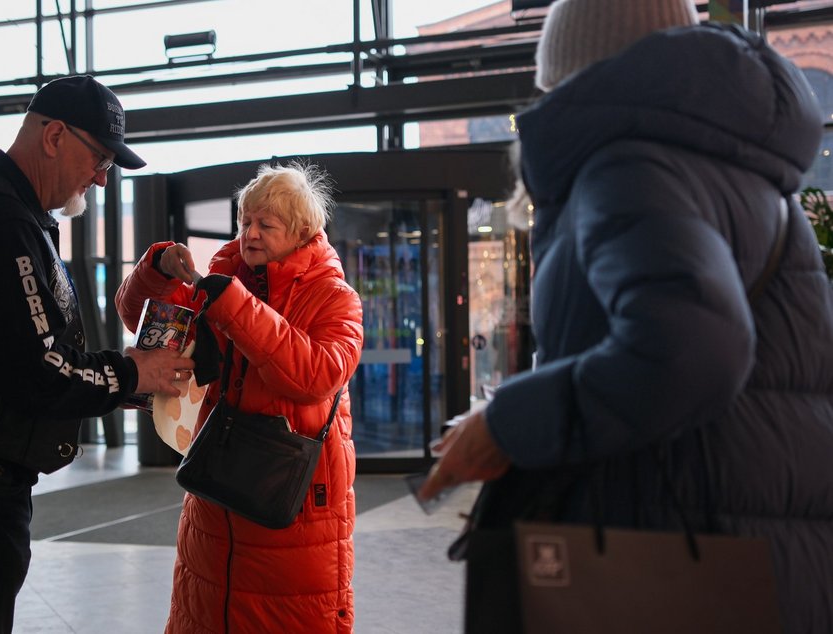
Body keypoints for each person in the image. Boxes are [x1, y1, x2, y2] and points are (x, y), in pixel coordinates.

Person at [419, 0, 833, 631]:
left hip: (675, 549)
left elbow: (690, 352)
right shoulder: (743, 177)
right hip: (751, 549)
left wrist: (509, 424)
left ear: (576, 73)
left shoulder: (630, 164)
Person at [0, 75, 193, 634]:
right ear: (53, 136)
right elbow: (38, 371)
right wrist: (128, 372)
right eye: (98, 158)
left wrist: (121, 380)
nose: (101, 178)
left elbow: (13, 355)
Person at [115, 161, 363, 633]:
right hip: (215, 499)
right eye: (245, 221)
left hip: (292, 514)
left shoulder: (334, 297)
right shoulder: (224, 280)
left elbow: (316, 374)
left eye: (265, 224)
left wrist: (236, 306)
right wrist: (157, 270)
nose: (249, 233)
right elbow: (139, 319)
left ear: (301, 232)